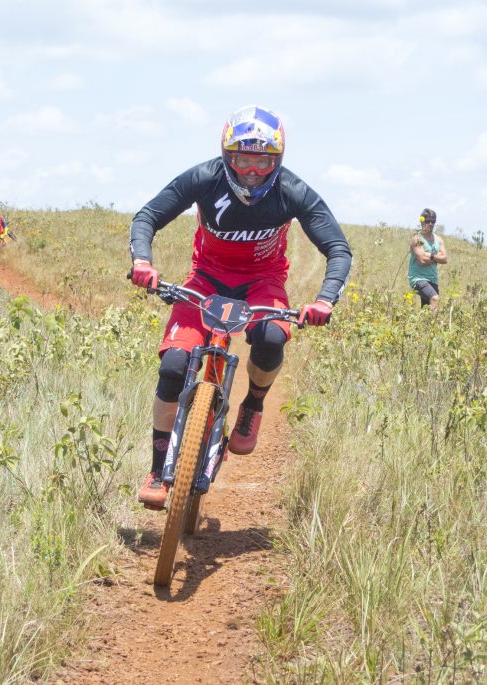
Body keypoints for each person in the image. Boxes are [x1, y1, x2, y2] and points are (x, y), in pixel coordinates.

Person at [128, 105, 353, 509]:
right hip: (206, 280)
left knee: (270, 338)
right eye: (243, 159)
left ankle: (253, 404)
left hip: (262, 284)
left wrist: (324, 300)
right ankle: (158, 467)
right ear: (228, 155)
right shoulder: (204, 177)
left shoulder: (292, 191)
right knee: (174, 366)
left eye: (263, 161)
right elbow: (148, 216)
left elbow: (337, 248)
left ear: (277, 160)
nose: (252, 170)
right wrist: (143, 261)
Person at [408, 208, 447, 312]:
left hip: (433, 280)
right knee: (435, 299)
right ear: (422, 221)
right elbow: (422, 260)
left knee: (426, 310)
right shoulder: (417, 239)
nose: (430, 223)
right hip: (418, 279)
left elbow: (445, 259)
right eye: (427, 221)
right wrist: (436, 257)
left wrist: (429, 255)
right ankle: (435, 328)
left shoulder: (439, 240)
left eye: (433, 221)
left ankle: (422, 328)